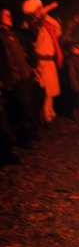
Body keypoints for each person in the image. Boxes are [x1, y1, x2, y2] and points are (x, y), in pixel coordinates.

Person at [21, 0, 63, 126]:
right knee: (45, 92)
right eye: (38, 8)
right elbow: (32, 32)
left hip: (50, 61)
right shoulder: (31, 25)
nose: (41, 9)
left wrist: (45, 14)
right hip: (41, 62)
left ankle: (51, 112)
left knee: (51, 91)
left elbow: (58, 30)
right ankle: (46, 117)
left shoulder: (45, 23)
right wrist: (38, 16)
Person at [0, 8, 39, 147]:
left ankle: (32, 134)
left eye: (10, 14)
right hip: (15, 77)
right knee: (23, 109)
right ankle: (24, 139)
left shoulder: (13, 34)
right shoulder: (1, 36)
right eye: (6, 15)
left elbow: (22, 53)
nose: (9, 17)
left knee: (32, 106)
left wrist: (30, 69)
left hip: (25, 75)